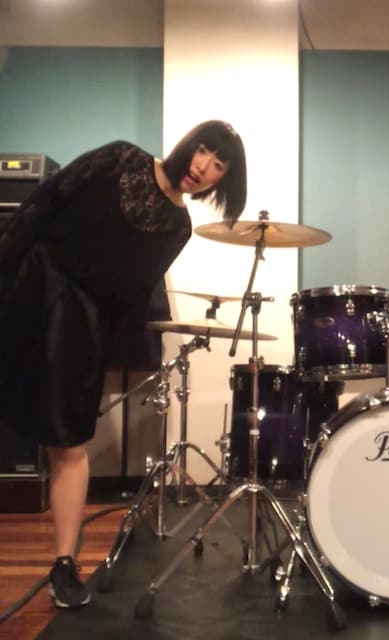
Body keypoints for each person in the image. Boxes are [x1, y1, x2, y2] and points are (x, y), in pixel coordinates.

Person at [0, 120, 247, 608]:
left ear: (223, 181)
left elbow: (129, 295)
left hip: (79, 327)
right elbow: (43, 203)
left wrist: (102, 353)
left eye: (218, 166)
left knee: (68, 443)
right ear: (189, 144)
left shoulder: (179, 228)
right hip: (28, 285)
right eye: (203, 151)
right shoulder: (119, 157)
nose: (203, 167)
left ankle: (64, 565)